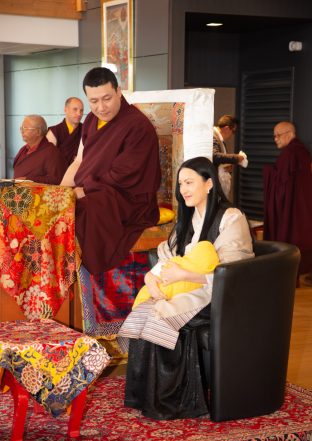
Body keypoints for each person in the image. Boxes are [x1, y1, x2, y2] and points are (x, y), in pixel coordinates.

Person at [118, 156, 254, 420]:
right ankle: (144, 396)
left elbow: (234, 272)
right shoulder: (187, 219)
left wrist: (186, 273)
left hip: (217, 294)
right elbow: (166, 257)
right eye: (181, 184)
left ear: (210, 183)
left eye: (190, 182)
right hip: (187, 289)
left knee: (163, 316)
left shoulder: (230, 218)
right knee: (145, 310)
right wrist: (151, 279)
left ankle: (172, 402)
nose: (184, 190)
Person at [60, 67, 161, 274]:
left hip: (128, 198)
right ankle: (58, 272)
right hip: (98, 189)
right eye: (93, 101)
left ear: (119, 91)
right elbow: (80, 160)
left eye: (106, 98)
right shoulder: (90, 120)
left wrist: (84, 190)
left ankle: (83, 275)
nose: (101, 107)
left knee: (86, 211)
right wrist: (60, 192)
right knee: (58, 207)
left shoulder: (137, 126)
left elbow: (123, 175)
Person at [263, 121, 312, 284]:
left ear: (289, 134)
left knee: (289, 235)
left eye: (278, 135)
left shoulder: (289, 154)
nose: (275, 139)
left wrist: (268, 172)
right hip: (302, 204)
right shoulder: (302, 151)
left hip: (290, 207)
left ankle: (288, 273)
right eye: (274, 136)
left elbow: (280, 185)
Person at [132, 240, 219, 309]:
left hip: (201, 292)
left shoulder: (225, 225)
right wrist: (149, 276)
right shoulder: (185, 223)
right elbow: (169, 259)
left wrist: (184, 275)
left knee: (155, 312)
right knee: (141, 312)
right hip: (165, 286)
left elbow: (225, 278)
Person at [13, 115, 67, 184]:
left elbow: (56, 179)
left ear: (38, 132)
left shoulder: (51, 152)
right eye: (22, 128)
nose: (22, 131)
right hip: (18, 192)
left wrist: (27, 180)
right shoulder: (23, 149)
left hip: (37, 194)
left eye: (26, 128)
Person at [213, 115, 248, 200]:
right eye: (233, 131)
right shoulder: (213, 136)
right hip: (213, 185)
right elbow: (215, 156)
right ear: (226, 128)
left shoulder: (219, 139)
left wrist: (227, 166)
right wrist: (236, 158)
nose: (232, 135)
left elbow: (220, 160)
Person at [46, 97, 84, 166]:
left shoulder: (86, 129)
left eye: (81, 110)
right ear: (65, 110)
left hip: (80, 170)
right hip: (58, 171)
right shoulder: (54, 132)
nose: (79, 114)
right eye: (75, 109)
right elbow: (48, 158)